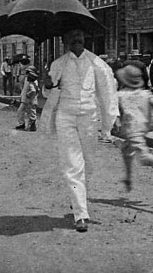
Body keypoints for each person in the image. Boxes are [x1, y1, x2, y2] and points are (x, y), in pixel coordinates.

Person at [42, 28, 118, 233]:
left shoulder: (97, 64)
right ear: (65, 40)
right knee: (73, 165)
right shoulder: (58, 64)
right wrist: (47, 84)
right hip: (65, 117)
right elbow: (49, 88)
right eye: (72, 37)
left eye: (80, 37)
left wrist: (109, 122)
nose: (77, 40)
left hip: (89, 119)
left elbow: (108, 91)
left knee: (88, 163)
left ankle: (78, 196)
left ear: (85, 39)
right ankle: (81, 214)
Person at [114, 64, 153, 191]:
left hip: (131, 127)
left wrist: (115, 121)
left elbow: (115, 110)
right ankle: (128, 178)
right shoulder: (146, 94)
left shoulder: (121, 95)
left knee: (143, 157)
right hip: (142, 126)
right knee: (126, 150)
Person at [15, 65, 39, 131]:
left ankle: (32, 126)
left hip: (30, 100)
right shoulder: (27, 79)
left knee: (31, 113)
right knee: (21, 111)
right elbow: (25, 89)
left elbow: (34, 90)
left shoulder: (33, 80)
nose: (27, 74)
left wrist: (28, 95)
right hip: (26, 99)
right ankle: (22, 123)